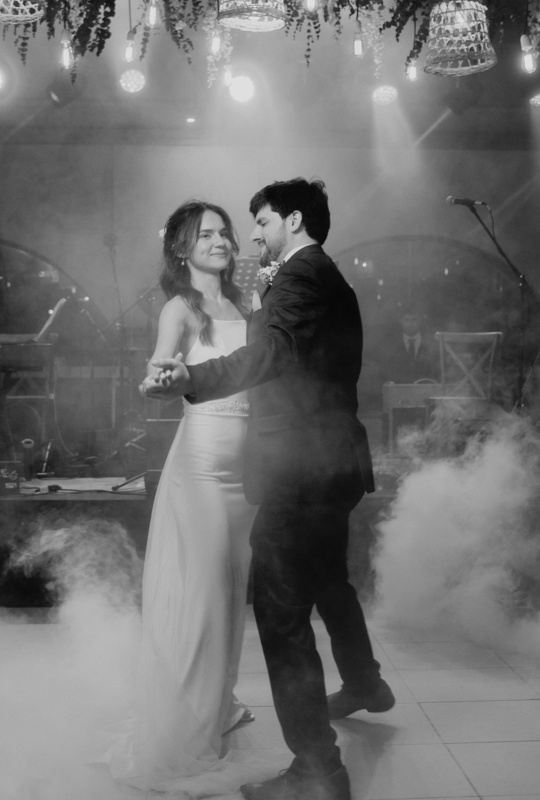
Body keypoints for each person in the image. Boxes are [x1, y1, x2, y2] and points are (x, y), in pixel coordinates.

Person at [143, 178, 395, 800]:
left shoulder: (302, 277)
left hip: (300, 470)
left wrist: (192, 380)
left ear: (294, 219)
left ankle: (316, 769)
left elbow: (275, 352)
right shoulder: (319, 275)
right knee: (328, 581)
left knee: (282, 617)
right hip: (322, 464)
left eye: (260, 222)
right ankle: (364, 685)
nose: (250, 235)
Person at [107, 200, 270, 797]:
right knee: (202, 599)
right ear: (183, 248)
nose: (222, 241)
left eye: (225, 232)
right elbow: (160, 369)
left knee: (231, 598)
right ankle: (190, 735)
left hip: (245, 472)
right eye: (208, 234)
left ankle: (217, 707)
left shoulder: (251, 304)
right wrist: (158, 380)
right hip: (201, 469)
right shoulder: (182, 308)